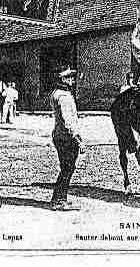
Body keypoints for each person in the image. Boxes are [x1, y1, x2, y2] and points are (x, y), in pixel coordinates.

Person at [49, 65, 85, 210]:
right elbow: (67, 121)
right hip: (66, 137)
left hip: (61, 135)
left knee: (66, 168)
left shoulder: (57, 93)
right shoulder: (63, 97)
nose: (72, 80)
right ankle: (59, 201)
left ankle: (59, 198)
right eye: (69, 77)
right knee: (67, 169)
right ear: (63, 79)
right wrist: (77, 140)